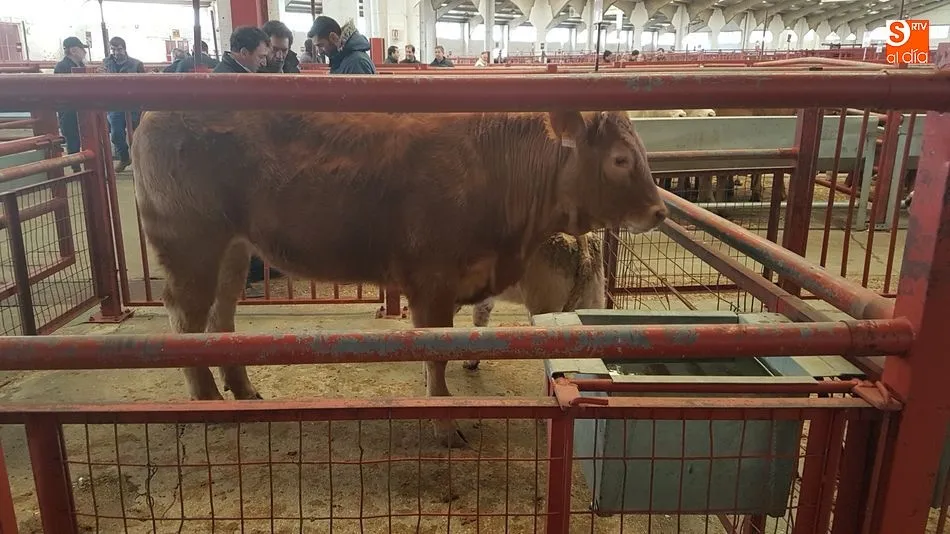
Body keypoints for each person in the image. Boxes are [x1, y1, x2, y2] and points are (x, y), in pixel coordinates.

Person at [102, 37, 145, 172]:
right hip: (115, 104)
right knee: (116, 134)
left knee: (138, 133)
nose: (116, 52)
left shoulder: (136, 64)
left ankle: (141, 160)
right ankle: (125, 157)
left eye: (119, 49)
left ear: (124, 49)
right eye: (113, 49)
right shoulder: (105, 63)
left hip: (133, 104)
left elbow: (143, 83)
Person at [53, 37, 87, 171]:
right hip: (68, 110)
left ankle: (77, 166)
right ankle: (76, 167)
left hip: (77, 108)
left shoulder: (80, 66)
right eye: (81, 49)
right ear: (73, 50)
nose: (84, 52)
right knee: (73, 138)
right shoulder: (62, 67)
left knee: (77, 136)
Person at [308, 15, 376, 74]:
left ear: (333, 37)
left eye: (321, 45)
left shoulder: (356, 63)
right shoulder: (344, 59)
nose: (319, 51)